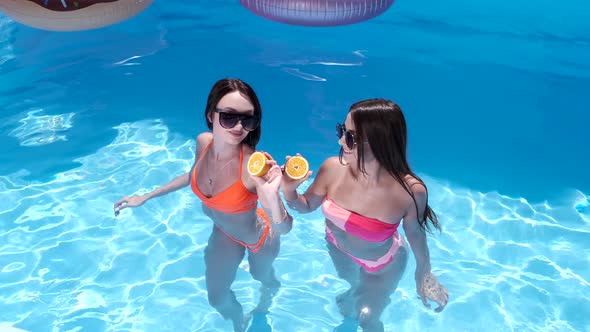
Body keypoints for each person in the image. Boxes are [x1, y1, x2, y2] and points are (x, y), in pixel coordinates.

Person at [113, 78, 292, 332]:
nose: (239, 126)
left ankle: (265, 303)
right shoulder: (203, 142)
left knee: (262, 278)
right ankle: (239, 325)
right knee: (217, 297)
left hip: (258, 239)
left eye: (248, 119)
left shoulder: (254, 165)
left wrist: (272, 195)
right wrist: (146, 196)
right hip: (223, 231)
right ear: (211, 115)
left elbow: (284, 228)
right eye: (229, 117)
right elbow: (192, 175)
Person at [281, 98, 448, 332]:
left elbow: (416, 235)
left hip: (382, 264)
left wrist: (424, 274)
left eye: (350, 137)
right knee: (352, 287)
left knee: (367, 319)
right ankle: (357, 291)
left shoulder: (409, 191)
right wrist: (288, 189)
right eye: (342, 130)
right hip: (338, 249)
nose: (340, 140)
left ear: (380, 142)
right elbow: (305, 206)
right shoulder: (332, 169)